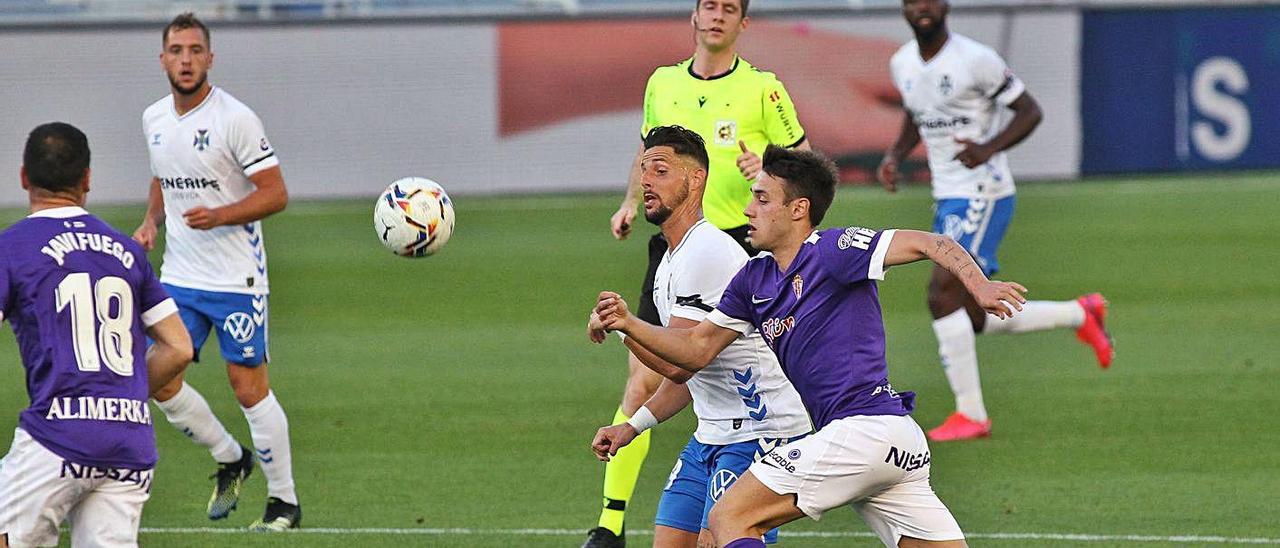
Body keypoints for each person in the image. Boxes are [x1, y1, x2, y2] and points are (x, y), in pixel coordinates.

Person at [594, 145, 1032, 547]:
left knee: (729, 519)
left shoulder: (832, 250)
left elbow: (931, 242)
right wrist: (628, 326)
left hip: (863, 432)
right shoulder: (753, 280)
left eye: (763, 199)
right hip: (893, 446)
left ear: (798, 209)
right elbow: (695, 351)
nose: (748, 210)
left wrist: (980, 286)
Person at [589, 1, 811, 545]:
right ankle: (609, 521)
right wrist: (631, 425)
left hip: (758, 426)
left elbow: (806, 169)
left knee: (723, 532)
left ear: (743, 23)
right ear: (693, 16)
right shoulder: (663, 83)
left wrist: (768, 170)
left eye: (727, 7)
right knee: (648, 378)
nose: (715, 15)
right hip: (709, 429)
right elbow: (682, 373)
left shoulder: (763, 89)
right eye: (707, 4)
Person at [876, 0, 1114, 441]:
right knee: (973, 314)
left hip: (982, 191)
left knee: (941, 293)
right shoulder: (902, 62)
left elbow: (1030, 111)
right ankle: (1079, 314)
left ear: (945, 5)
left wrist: (988, 149)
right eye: (912, 1)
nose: (921, 7)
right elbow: (916, 111)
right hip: (948, 194)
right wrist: (895, 154)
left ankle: (971, 414)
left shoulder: (976, 59)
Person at [132, 13, 300, 530]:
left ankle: (284, 503)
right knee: (155, 375)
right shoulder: (154, 118)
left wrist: (220, 215)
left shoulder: (235, 119)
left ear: (210, 58)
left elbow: (276, 194)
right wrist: (150, 221)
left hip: (236, 279)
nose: (185, 59)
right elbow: (164, 172)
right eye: (176, 50)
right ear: (163, 59)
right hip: (180, 274)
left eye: (194, 50)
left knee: (247, 388)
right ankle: (231, 458)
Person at [0, 122, 193, 547]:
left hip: (55, 438)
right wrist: (122, 397)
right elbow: (179, 347)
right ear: (87, 179)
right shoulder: (126, 251)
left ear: (23, 177)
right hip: (129, 444)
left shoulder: (11, 248)